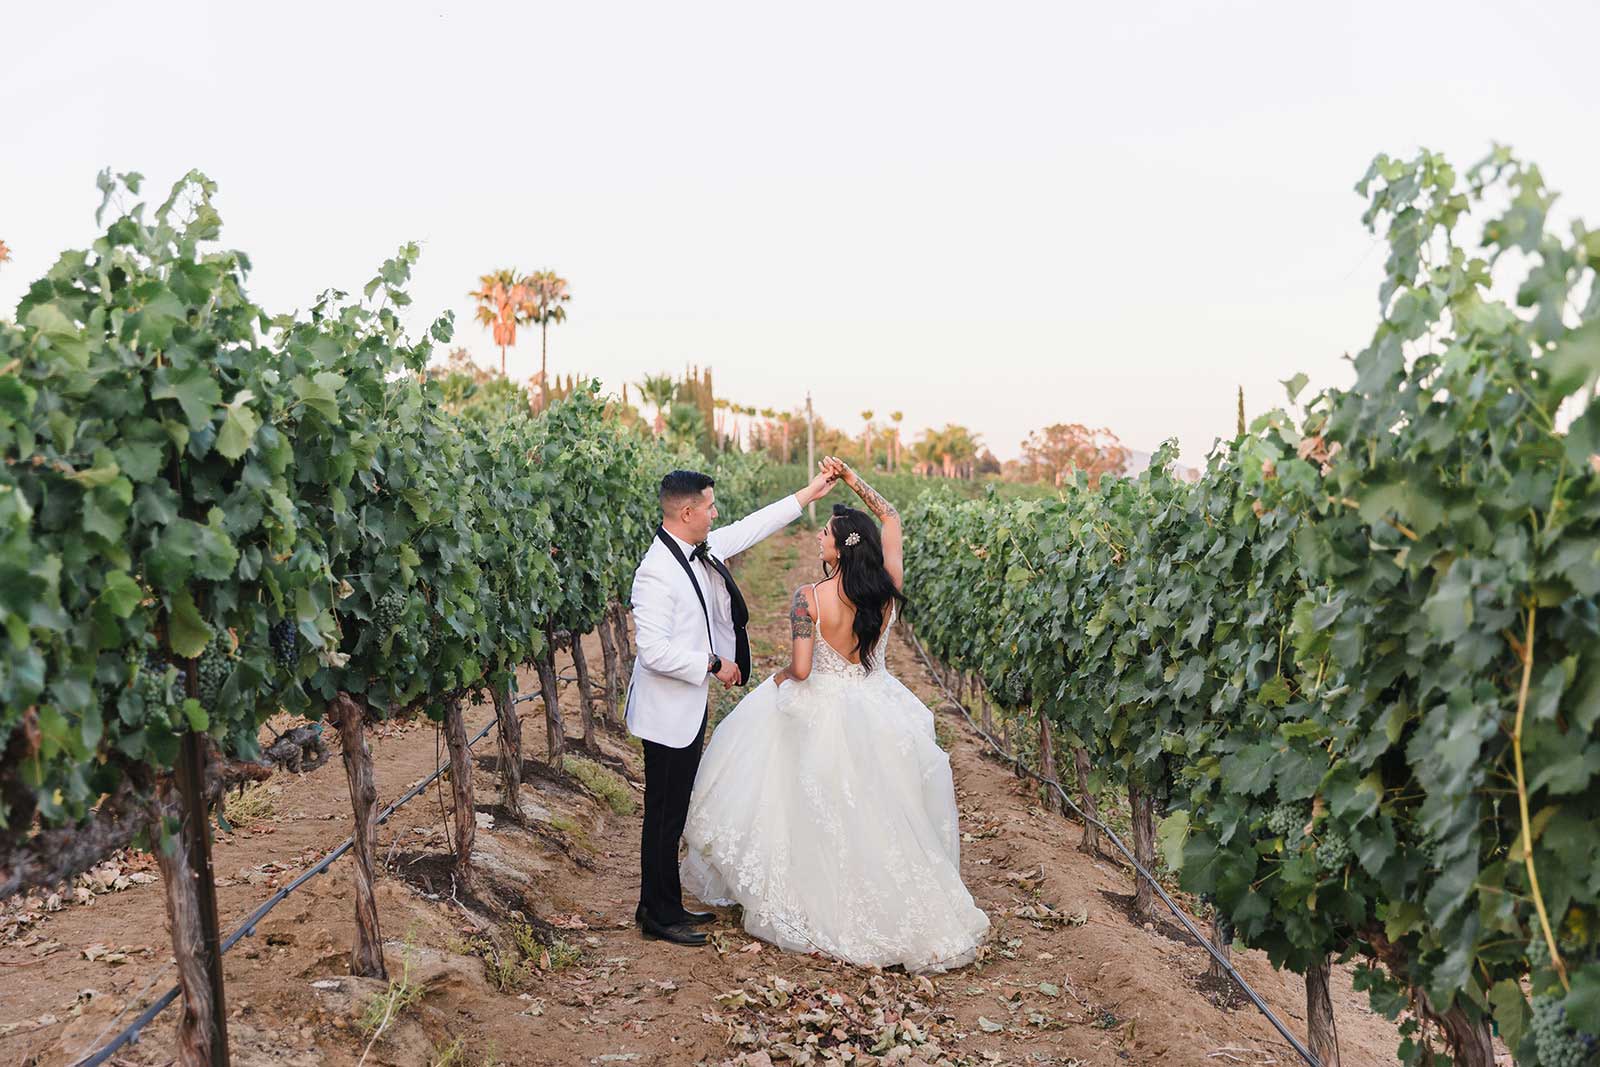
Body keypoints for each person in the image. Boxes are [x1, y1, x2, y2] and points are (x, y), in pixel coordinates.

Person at [681, 457, 990, 972]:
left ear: (840, 545)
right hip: (877, 701)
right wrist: (851, 480)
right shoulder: (885, 592)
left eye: (824, 532)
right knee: (879, 812)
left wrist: (778, 677)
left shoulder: (809, 598)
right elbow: (891, 518)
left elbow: (802, 671)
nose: (817, 537)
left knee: (807, 808)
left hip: (822, 704)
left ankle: (817, 898)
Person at [627, 465, 840, 945]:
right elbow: (652, 650)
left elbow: (752, 527)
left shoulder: (699, 549)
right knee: (663, 813)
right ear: (687, 512)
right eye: (709, 505)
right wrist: (711, 662)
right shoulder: (656, 572)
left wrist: (808, 494)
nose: (716, 512)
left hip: (685, 705)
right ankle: (657, 916)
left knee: (672, 809)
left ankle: (660, 903)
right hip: (665, 710)